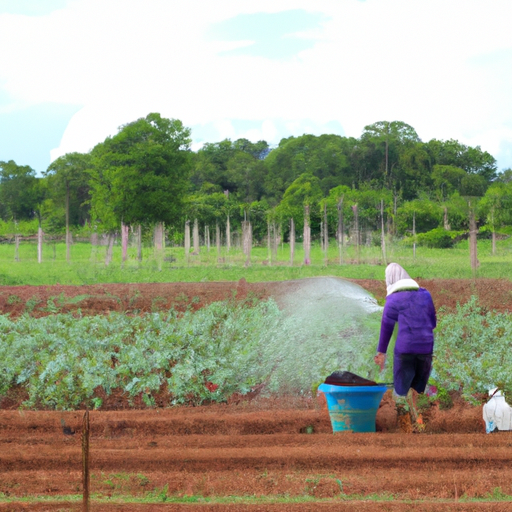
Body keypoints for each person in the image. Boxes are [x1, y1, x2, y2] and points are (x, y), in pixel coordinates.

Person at [374, 263, 437, 425]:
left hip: (406, 349)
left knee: (401, 391)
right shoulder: (426, 295)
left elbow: (386, 327)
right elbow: (433, 322)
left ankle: (405, 426)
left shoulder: (393, 300)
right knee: (417, 391)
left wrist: (381, 352)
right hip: (426, 349)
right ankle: (421, 422)